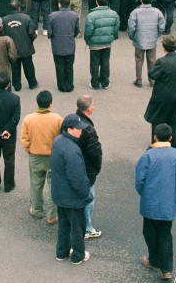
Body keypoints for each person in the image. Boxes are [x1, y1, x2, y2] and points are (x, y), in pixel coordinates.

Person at [136, 123, 176, 280]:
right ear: (171, 138)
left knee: (149, 232)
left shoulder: (148, 155)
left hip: (150, 202)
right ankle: (167, 269)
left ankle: (154, 259)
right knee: (165, 234)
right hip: (169, 203)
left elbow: (140, 181)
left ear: (155, 137)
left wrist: (144, 193)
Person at [50, 113, 93, 265]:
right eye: (78, 128)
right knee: (77, 228)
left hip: (59, 195)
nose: (81, 131)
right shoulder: (72, 150)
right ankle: (78, 256)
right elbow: (77, 178)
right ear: (69, 129)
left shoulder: (57, 141)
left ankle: (61, 253)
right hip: (73, 199)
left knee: (63, 226)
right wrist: (86, 195)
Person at [20, 89, 61, 225]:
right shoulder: (57, 119)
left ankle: (36, 210)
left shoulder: (29, 119)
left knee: (36, 184)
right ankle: (52, 215)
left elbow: (24, 139)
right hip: (53, 156)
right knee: (53, 185)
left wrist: (30, 150)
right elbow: (62, 137)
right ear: (50, 104)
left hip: (35, 156)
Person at [143, 35, 176, 149]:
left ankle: (156, 143)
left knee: (157, 120)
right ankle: (175, 143)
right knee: (173, 121)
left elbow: (152, 74)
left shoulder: (162, 62)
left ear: (164, 48)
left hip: (162, 97)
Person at [75, 95, 103, 241]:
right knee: (88, 199)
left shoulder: (72, 121)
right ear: (89, 108)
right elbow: (95, 153)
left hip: (75, 166)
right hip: (87, 170)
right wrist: (97, 168)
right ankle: (86, 228)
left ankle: (79, 224)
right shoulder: (89, 129)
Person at [128, 0, 165, 88]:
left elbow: (131, 27)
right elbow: (162, 27)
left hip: (139, 39)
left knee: (139, 60)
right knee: (152, 60)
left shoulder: (135, 12)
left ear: (141, 0)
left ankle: (139, 80)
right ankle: (152, 80)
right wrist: (156, 35)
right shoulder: (157, 12)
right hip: (152, 39)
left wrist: (132, 37)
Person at [83, 0, 118, 90]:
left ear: (96, 2)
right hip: (107, 42)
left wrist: (87, 39)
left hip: (94, 43)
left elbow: (88, 31)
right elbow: (116, 29)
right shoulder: (114, 14)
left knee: (94, 64)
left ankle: (95, 83)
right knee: (105, 62)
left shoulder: (91, 15)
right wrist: (112, 37)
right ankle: (105, 82)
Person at [3, 0, 38, 92]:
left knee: (15, 67)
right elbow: (32, 33)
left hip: (12, 48)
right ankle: (32, 83)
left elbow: (3, 35)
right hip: (26, 47)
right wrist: (30, 41)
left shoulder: (4, 20)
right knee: (29, 66)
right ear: (19, 7)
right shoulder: (26, 18)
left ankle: (17, 85)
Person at [48, 0, 79, 93]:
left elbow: (50, 32)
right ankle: (69, 85)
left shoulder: (52, 16)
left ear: (59, 4)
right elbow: (77, 30)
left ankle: (61, 86)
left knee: (59, 66)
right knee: (69, 66)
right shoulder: (74, 15)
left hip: (57, 44)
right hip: (69, 44)